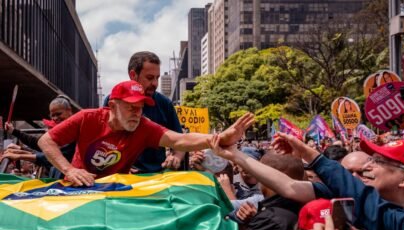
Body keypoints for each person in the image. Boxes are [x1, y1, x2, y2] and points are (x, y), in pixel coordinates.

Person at [208, 133, 404, 230]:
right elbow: (288, 186)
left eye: (380, 162)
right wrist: (236, 155)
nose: (368, 167)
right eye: (371, 159)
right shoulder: (347, 199)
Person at [37, 80, 254, 186]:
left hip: (115, 192)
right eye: (131, 107)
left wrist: (220, 138)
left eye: (141, 107)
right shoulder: (87, 117)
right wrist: (70, 170)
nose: (137, 113)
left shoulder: (143, 125)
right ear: (112, 106)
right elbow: (46, 141)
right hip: (76, 189)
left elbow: (180, 139)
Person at [127, 51, 185, 172]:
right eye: (149, 78)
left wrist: (176, 157)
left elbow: (180, 142)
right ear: (133, 75)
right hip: (123, 179)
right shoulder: (114, 101)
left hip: (158, 177)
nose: (155, 83)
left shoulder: (165, 104)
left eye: (157, 78)